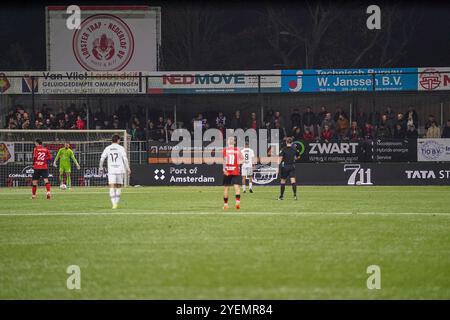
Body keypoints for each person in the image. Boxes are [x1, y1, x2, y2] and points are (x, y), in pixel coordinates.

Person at [99, 135, 131, 209]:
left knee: (112, 187)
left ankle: (114, 204)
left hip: (111, 170)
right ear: (118, 140)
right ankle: (116, 203)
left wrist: (100, 167)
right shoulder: (121, 148)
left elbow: (102, 158)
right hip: (120, 170)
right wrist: (128, 168)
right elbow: (125, 159)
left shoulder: (108, 148)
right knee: (119, 187)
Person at [222, 137, 244, 210]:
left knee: (226, 188)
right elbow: (243, 160)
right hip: (235, 170)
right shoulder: (237, 150)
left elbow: (225, 160)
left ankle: (225, 205)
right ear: (234, 142)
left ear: (228, 142)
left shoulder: (225, 150)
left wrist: (224, 169)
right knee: (237, 188)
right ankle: (237, 203)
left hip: (228, 171)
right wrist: (237, 163)